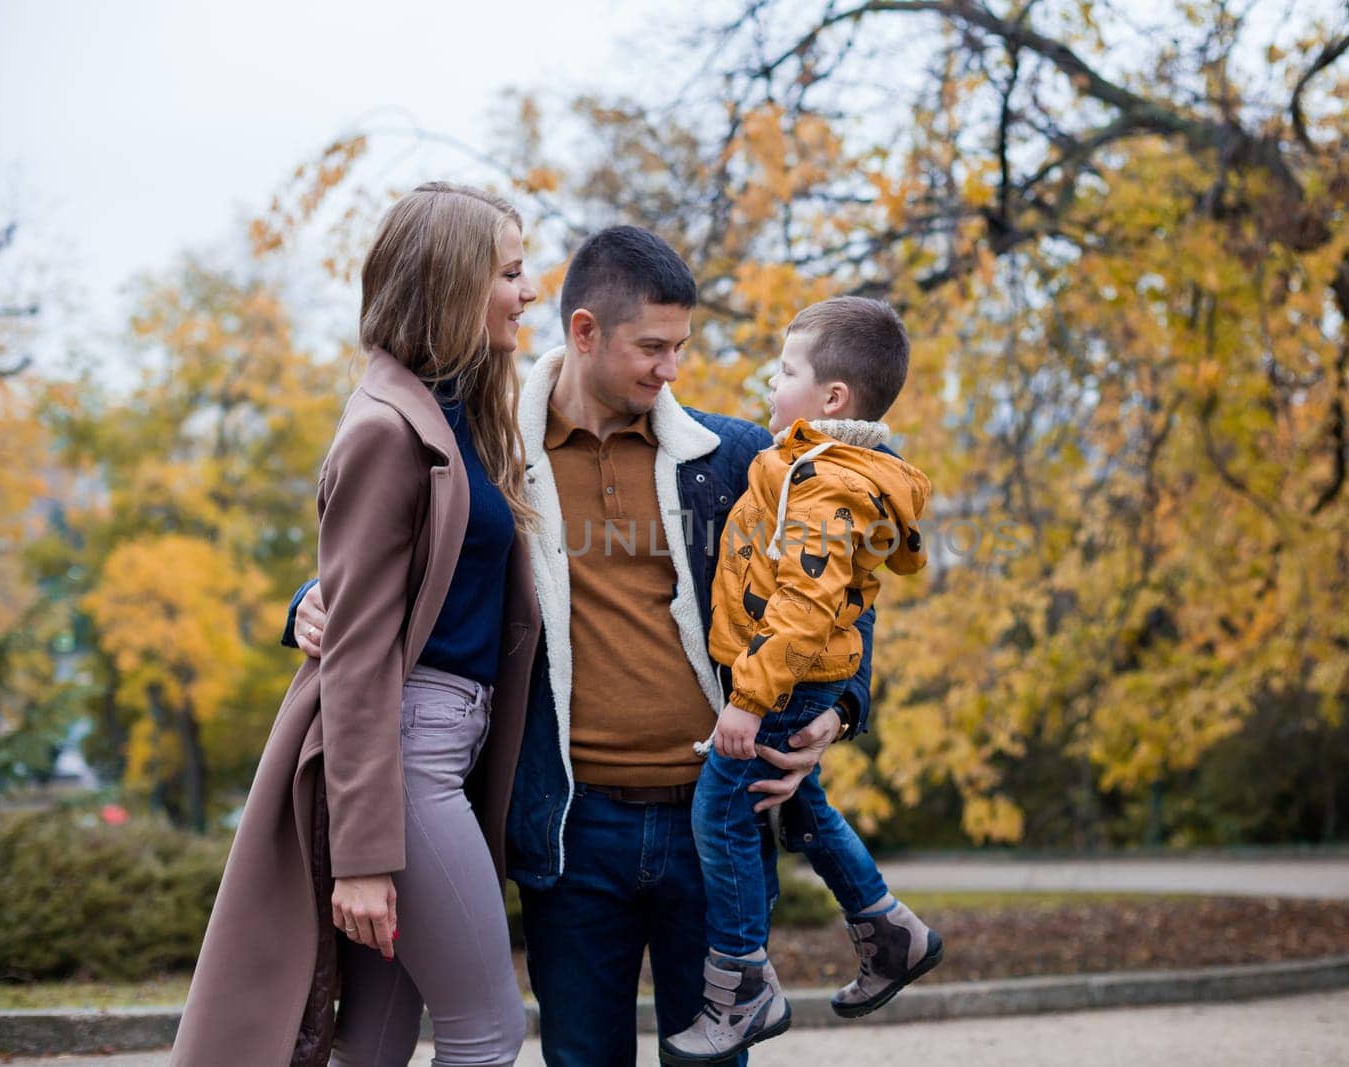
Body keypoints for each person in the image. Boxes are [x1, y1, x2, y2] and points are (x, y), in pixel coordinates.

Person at [287, 225, 879, 1066]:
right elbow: (394, 551)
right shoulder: (495, 457)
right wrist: (307, 602)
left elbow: (841, 581)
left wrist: (843, 708)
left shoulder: (735, 458)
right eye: (651, 346)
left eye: (680, 346)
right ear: (586, 331)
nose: (670, 367)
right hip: (567, 827)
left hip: (716, 821)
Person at [173, 182, 543, 1067]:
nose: (529, 291)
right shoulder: (388, 427)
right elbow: (365, 650)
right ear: (453, 283)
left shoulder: (463, 414)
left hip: (442, 746)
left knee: (371, 1044)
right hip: (406, 756)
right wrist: (366, 857)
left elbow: (396, 578)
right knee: (487, 1030)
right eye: (512, 272)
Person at [660, 297, 941, 1063]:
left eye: (785, 371)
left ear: (833, 399)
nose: (769, 382)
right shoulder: (815, 467)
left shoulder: (823, 484)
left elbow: (806, 604)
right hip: (800, 681)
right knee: (801, 803)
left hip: (783, 682)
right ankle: (888, 928)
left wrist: (749, 702)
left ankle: (742, 981)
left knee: (722, 806)